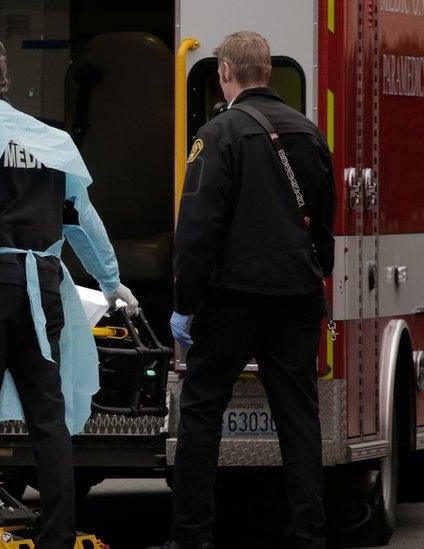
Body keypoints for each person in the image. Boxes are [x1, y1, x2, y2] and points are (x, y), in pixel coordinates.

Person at [0, 34, 139, 548]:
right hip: (45, 289)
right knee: (48, 421)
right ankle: (57, 536)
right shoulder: (49, 137)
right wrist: (110, 281)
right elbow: (83, 218)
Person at [166, 32, 335, 549]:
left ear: (225, 73)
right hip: (297, 297)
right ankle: (307, 533)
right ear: (268, 70)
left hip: (233, 297)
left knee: (201, 409)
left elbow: (198, 227)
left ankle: (193, 533)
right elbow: (326, 219)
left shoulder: (217, 135)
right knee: (298, 416)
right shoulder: (309, 133)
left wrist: (185, 304)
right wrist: (316, 274)